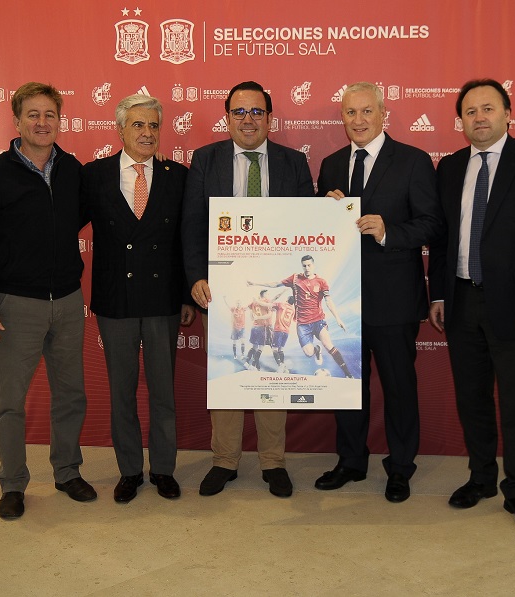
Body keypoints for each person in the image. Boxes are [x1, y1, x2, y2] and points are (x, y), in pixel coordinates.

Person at [427, 79, 515, 532]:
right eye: (470, 112)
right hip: (463, 300)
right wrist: (440, 295)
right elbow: (443, 240)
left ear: (509, 113)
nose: (479, 118)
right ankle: (482, 478)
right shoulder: (449, 168)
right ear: (461, 121)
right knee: (472, 399)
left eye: (488, 108)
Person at [0, 82, 96, 520]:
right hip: (16, 304)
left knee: (71, 393)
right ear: (16, 121)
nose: (42, 122)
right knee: (11, 400)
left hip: (70, 302)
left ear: (61, 119)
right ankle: (13, 482)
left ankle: (67, 470)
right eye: (33, 114)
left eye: (50, 114)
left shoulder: (74, 170)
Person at [182, 80, 314, 498]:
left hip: (272, 288)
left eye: (257, 112)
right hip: (222, 289)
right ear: (227, 117)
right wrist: (194, 278)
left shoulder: (293, 162)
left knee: (271, 368)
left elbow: (307, 227)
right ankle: (225, 460)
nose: (248, 120)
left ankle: (273, 462)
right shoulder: (205, 159)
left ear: (270, 118)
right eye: (239, 112)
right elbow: (190, 225)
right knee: (229, 367)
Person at [315, 81, 443, 503]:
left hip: (394, 299)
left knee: (399, 388)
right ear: (343, 118)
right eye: (350, 113)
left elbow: (431, 224)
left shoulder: (412, 161)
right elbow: (321, 234)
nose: (359, 120)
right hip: (344, 300)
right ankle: (351, 461)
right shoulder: (331, 164)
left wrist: (389, 232)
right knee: (348, 386)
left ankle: (401, 467)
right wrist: (325, 212)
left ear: (384, 113)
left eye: (367, 111)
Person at [80, 94, 195, 504]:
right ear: (121, 130)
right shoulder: (94, 175)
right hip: (116, 302)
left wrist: (186, 296)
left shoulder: (177, 175)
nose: (147, 133)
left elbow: (188, 241)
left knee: (164, 392)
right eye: (138, 125)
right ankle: (129, 470)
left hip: (163, 300)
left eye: (153, 126)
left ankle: (163, 468)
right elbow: (63, 224)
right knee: (121, 392)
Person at [249, 255, 352, 377]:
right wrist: (255, 283)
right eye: (304, 266)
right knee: (309, 353)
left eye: (309, 265)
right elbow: (276, 284)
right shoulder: (295, 278)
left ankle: (348, 374)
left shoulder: (321, 282)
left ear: (313, 265)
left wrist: (337, 318)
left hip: (318, 320)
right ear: (302, 266)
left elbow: (328, 301)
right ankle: (316, 350)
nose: (307, 268)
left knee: (328, 345)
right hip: (302, 324)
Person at [243, 289, 275, 371]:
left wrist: (254, 317)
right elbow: (268, 315)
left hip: (254, 326)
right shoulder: (266, 301)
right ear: (264, 295)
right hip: (262, 327)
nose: (268, 295)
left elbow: (248, 309)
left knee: (254, 347)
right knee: (261, 347)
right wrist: (259, 317)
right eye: (267, 294)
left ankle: (247, 362)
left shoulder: (254, 302)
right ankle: (253, 365)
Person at [223, 296, 247, 361]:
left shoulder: (243, 309)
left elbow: (249, 306)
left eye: (239, 303)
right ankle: (235, 355)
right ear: (236, 304)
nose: (238, 304)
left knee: (243, 341)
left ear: (241, 304)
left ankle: (242, 354)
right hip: (235, 328)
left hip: (242, 328)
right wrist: (225, 299)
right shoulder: (233, 309)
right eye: (237, 303)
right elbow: (228, 305)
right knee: (234, 342)